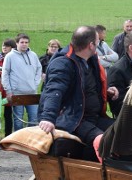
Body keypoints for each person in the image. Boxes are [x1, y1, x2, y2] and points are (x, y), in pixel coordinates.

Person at [38, 26, 119, 155]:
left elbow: (89, 88)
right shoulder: (63, 64)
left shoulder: (90, 60)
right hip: (73, 119)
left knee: (126, 131)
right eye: (97, 41)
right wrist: (48, 117)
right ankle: (103, 173)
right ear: (91, 45)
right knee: (103, 140)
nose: (99, 44)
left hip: (93, 117)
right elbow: (54, 91)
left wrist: (106, 92)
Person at [2, 33, 42, 131]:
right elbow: (5, 74)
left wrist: (35, 83)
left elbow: (39, 69)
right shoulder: (10, 56)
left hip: (32, 93)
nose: (24, 44)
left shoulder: (33, 55)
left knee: (34, 119)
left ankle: (29, 140)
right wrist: (9, 91)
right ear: (17, 43)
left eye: (26, 42)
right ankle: (18, 142)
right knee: (18, 121)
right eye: (22, 42)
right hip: (16, 93)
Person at [0, 38, 16, 138]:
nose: (4, 47)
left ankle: (8, 135)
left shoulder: (14, 58)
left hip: (8, 89)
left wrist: (1, 73)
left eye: (7, 46)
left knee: (8, 114)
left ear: (12, 47)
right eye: (3, 45)